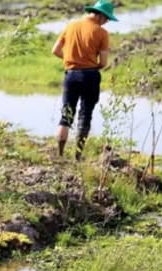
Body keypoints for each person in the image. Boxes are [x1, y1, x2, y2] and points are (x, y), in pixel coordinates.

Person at [51, 0, 116, 160]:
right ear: (100, 16)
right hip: (90, 76)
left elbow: (55, 50)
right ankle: (77, 157)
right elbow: (103, 62)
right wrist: (90, 64)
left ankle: (60, 155)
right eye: (107, 18)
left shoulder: (71, 25)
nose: (107, 22)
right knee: (85, 115)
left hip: (71, 74)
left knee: (66, 115)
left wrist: (71, 60)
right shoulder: (102, 33)